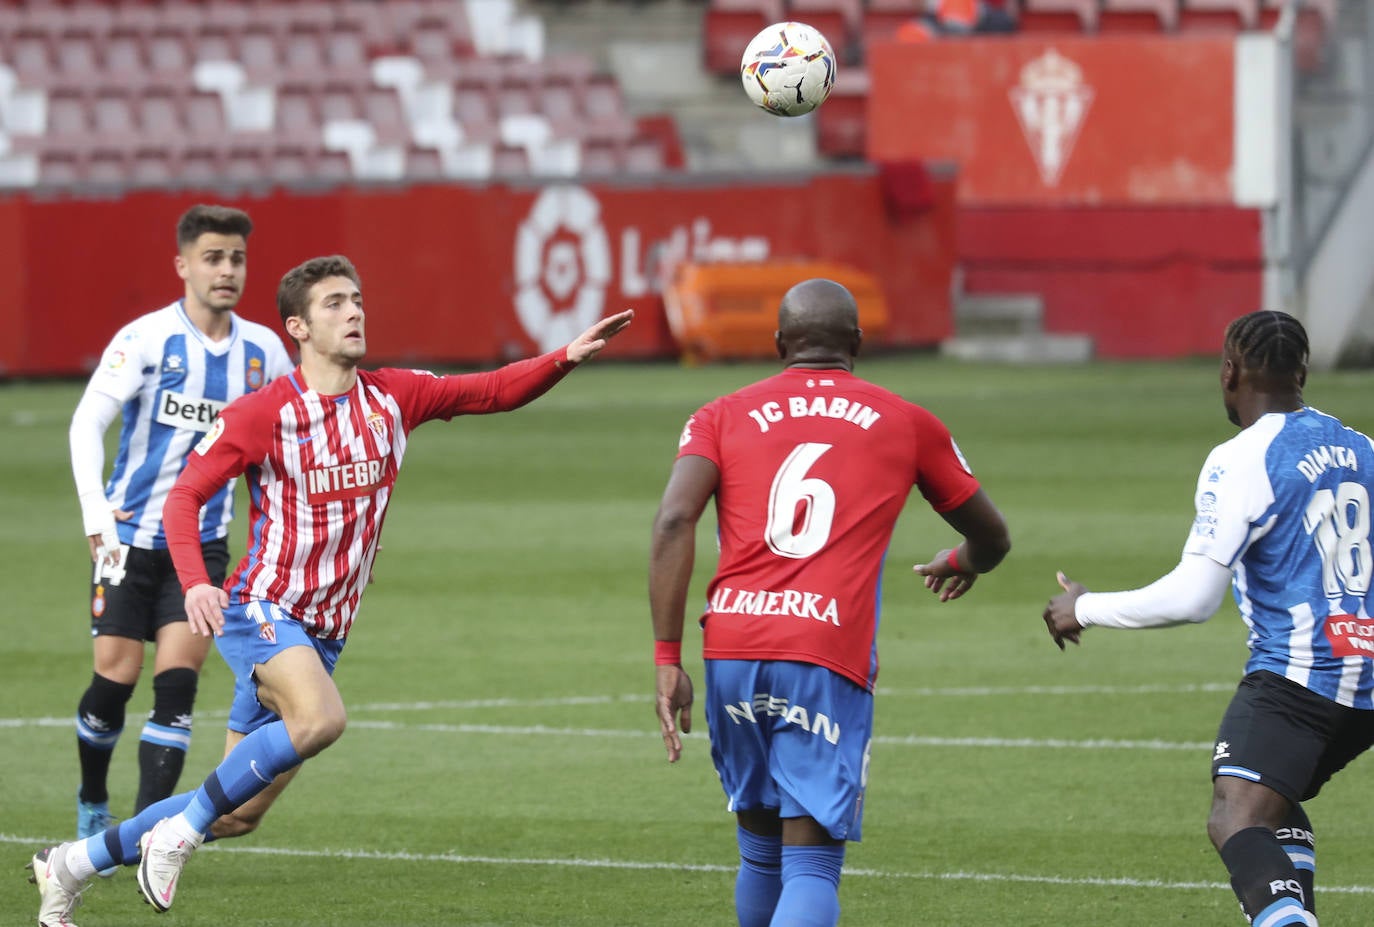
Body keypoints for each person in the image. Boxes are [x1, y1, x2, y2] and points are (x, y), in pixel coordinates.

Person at [30, 254, 633, 926]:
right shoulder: (265, 412)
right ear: (298, 327)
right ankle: (176, 833)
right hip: (262, 607)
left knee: (237, 811)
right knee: (321, 721)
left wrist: (566, 355)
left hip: (324, 631)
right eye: (335, 304)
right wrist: (198, 582)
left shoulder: (393, 397)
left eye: (357, 299)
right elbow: (185, 497)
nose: (353, 312)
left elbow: (490, 390)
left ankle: (72, 863)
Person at [649, 278, 1010, 927]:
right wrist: (963, 561)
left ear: (781, 342)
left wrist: (666, 657)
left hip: (730, 645)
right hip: (824, 652)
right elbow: (992, 534)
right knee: (811, 865)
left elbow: (674, 519)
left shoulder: (720, 413)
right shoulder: (906, 420)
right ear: (858, 344)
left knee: (760, 851)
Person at [1043, 309, 1374, 927]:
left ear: (1229, 372)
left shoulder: (1242, 458)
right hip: (1366, 679)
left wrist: (1083, 607)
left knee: (1235, 816)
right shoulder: (1363, 449)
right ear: (1303, 371)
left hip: (1301, 674)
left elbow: (1195, 598)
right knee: (1272, 800)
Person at [67, 204, 293, 840]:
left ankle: (136, 836)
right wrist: (94, 509)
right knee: (115, 679)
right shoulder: (144, 340)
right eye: (213, 258)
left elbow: (287, 438)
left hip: (203, 545)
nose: (226, 271)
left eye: (237, 259)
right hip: (125, 540)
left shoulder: (264, 352)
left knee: (176, 688)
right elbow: (88, 420)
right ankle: (91, 798)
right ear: (183, 265)